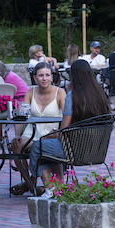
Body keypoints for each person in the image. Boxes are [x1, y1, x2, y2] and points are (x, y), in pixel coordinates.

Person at [21, 60, 111, 197]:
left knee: (39, 146)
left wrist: (52, 135)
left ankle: (50, 189)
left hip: (74, 149)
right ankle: (58, 187)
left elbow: (63, 131)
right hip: (96, 149)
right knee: (47, 147)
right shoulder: (101, 95)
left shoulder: (73, 96)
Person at [9, 61, 67, 196]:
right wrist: (17, 135)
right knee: (16, 146)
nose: (44, 78)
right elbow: (22, 116)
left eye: (47, 75)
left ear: (52, 77)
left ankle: (33, 183)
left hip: (51, 133)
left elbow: (66, 116)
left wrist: (59, 132)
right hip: (32, 132)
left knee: (42, 147)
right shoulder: (30, 92)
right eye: (41, 75)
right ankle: (31, 185)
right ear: (35, 78)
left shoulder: (60, 92)